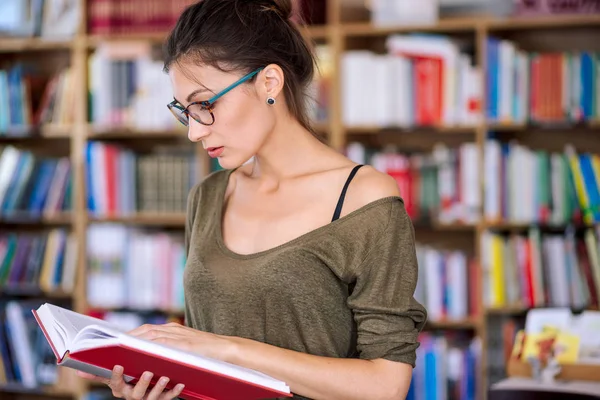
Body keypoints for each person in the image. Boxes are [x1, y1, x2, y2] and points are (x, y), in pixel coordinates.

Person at [78, 0, 427, 399]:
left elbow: (385, 386)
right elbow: (203, 368)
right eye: (184, 110)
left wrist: (230, 350)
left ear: (269, 83)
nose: (194, 131)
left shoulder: (364, 199)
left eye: (205, 104)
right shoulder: (208, 197)